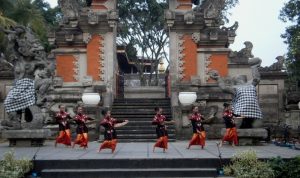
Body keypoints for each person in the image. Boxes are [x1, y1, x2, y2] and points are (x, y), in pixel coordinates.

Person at [209, 58, 263, 128]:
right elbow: (257, 78)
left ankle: (243, 126)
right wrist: (254, 67)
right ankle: (246, 125)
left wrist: (218, 78)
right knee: (247, 121)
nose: (238, 79)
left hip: (241, 110)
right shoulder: (249, 85)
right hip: (254, 110)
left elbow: (224, 88)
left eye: (237, 79)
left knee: (240, 118)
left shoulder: (236, 87)